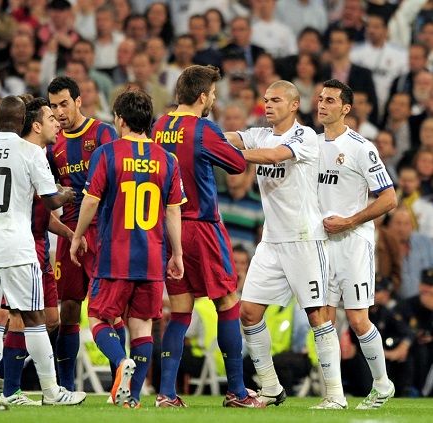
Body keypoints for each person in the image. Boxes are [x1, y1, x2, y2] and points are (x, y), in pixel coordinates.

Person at [0, 95, 84, 405]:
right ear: (23, 120)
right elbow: (50, 199)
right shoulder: (30, 151)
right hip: (14, 243)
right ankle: (52, 391)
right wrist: (70, 193)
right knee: (34, 317)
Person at [224, 80, 346, 409]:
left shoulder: (304, 136)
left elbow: (276, 156)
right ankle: (270, 388)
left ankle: (335, 394)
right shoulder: (258, 133)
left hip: (305, 239)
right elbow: (229, 137)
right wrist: (194, 133)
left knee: (318, 315)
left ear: (293, 105)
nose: (268, 105)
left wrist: (229, 154)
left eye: (275, 100)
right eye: (265, 100)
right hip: (271, 241)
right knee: (248, 312)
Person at [150, 65, 262, 408]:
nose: (214, 98)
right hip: (201, 226)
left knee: (181, 311)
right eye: (212, 93)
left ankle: (166, 394)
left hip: (168, 228)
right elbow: (237, 165)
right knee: (227, 303)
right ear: (202, 96)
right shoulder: (202, 128)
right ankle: (237, 392)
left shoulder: (159, 126)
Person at [68, 90, 185, 408]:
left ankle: (120, 362)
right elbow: (173, 211)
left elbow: (91, 200)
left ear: (119, 119)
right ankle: (132, 398)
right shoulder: (166, 159)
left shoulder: (107, 153)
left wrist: (77, 236)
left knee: (97, 317)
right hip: (151, 256)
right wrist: (177, 254)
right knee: (142, 326)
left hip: (114, 255)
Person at [316, 79, 399, 408]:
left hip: (353, 241)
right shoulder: (312, 145)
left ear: (345, 108)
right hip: (322, 243)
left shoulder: (361, 147)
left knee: (357, 318)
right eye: (320, 99)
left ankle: (382, 383)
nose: (322, 104)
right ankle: (334, 396)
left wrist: (350, 220)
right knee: (322, 316)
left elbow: (389, 198)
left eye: (330, 100)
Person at [46, 76, 118, 390]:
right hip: (68, 233)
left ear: (78, 100)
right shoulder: (53, 144)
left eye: (64, 103)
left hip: (102, 233)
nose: (59, 112)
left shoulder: (103, 133)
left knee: (111, 310)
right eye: (53, 106)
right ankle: (66, 386)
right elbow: (47, 192)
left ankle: (121, 381)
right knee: (70, 308)